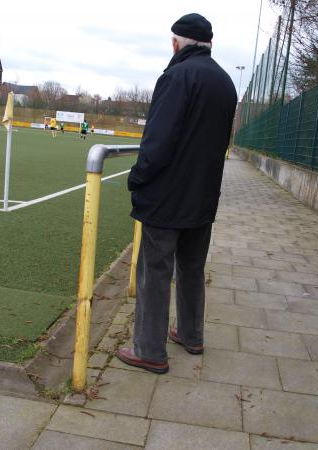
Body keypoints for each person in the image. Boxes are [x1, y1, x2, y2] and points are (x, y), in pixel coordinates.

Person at [115, 13, 237, 374]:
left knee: (154, 271)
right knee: (192, 268)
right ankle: (191, 334)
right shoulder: (227, 83)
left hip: (167, 197)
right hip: (203, 196)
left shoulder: (176, 76)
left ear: (175, 43)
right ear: (209, 44)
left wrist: (137, 177)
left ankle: (149, 350)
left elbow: (158, 140)